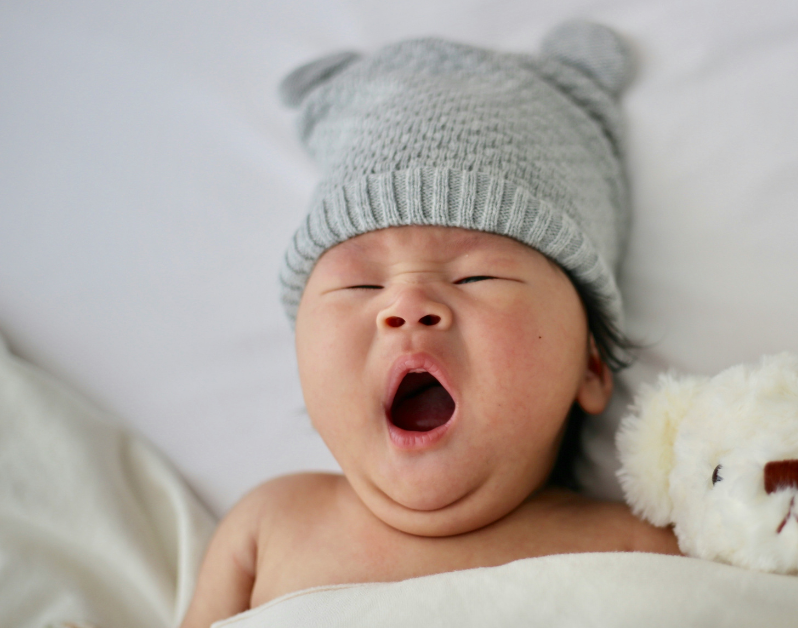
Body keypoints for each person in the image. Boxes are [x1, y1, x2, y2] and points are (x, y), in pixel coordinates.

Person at [180, 21, 680, 627]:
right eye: (360, 284)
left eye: (476, 278)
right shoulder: (266, 529)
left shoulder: (634, 551)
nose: (408, 304)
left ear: (591, 365)